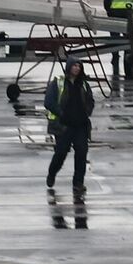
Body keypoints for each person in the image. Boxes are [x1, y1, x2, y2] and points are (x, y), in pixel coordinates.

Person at [44, 59, 95, 191]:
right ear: (68, 67)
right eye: (74, 66)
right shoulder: (58, 82)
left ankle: (78, 183)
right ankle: (52, 173)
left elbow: (90, 101)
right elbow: (49, 102)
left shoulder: (83, 84)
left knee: (81, 152)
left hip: (80, 125)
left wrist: (86, 113)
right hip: (64, 125)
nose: (77, 68)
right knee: (61, 153)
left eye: (79, 66)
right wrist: (62, 114)